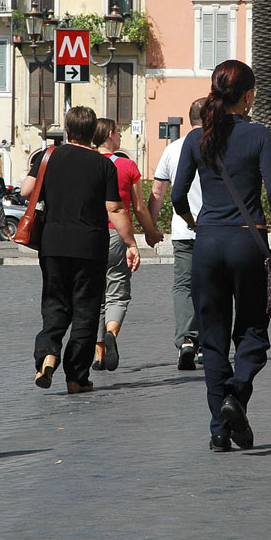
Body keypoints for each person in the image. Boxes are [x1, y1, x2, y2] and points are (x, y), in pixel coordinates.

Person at [172, 60, 271, 453]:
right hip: (247, 239)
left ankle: (219, 432)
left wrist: (195, 222)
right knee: (253, 329)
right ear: (248, 96)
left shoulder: (196, 138)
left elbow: (177, 196)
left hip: (207, 243)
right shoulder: (259, 134)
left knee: (213, 337)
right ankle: (236, 396)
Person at [20, 106, 140, 394]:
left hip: (53, 244)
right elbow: (114, 208)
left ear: (67, 130)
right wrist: (131, 243)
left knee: (55, 303)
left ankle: (48, 355)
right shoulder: (104, 165)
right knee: (86, 310)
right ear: (92, 132)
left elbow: (26, 191)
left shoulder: (48, 157)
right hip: (90, 246)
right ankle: (76, 378)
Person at [91, 118, 163, 372]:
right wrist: (151, 233)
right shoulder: (127, 165)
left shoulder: (86, 163)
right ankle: (111, 333)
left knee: (95, 295)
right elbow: (139, 207)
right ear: (110, 134)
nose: (121, 136)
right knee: (117, 293)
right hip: (116, 235)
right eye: (119, 132)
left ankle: (98, 355)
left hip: (88, 236)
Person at [148, 97, 206, 369]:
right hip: (216, 229)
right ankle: (207, 343)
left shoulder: (172, 149)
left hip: (184, 231)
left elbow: (158, 192)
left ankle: (186, 340)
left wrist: (151, 227)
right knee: (214, 285)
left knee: (183, 286)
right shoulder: (219, 145)